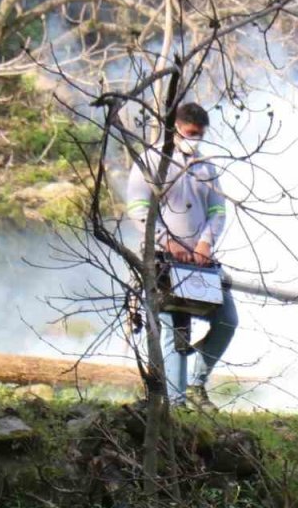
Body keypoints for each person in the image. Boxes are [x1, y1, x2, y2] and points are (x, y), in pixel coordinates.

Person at [125, 102, 235, 412]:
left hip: (201, 264)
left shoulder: (206, 167)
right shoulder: (150, 160)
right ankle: (176, 405)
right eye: (190, 133)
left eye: (200, 135)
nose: (195, 139)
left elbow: (218, 210)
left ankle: (197, 382)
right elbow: (137, 208)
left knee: (227, 320)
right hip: (162, 261)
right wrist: (166, 240)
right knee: (175, 331)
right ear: (176, 128)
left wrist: (204, 243)